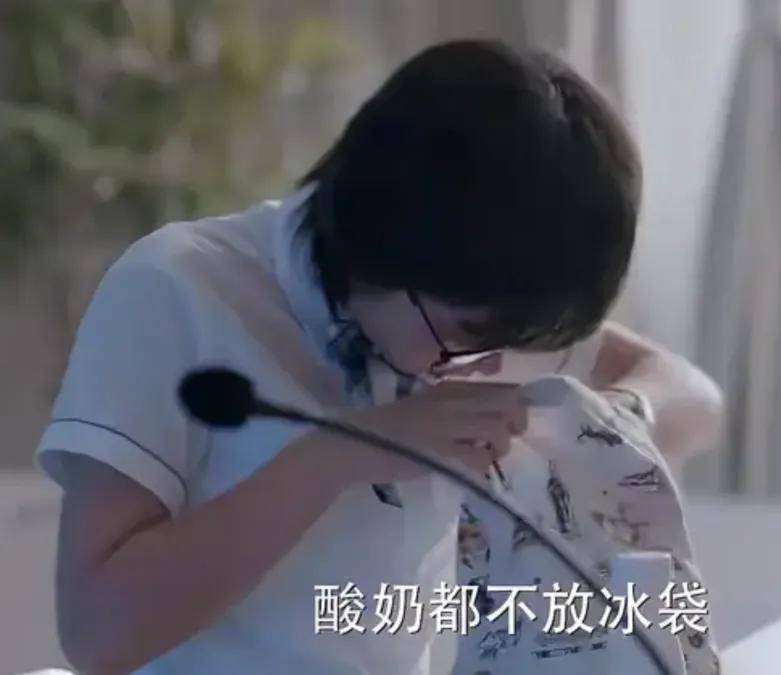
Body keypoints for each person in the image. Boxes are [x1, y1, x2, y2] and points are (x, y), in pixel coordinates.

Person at [38, 39, 722, 674]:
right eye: (464, 334)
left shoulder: (482, 319)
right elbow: (98, 631)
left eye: (512, 345)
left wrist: (611, 424)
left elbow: (693, 396)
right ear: (376, 240)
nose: (486, 365)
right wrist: (340, 454)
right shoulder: (179, 289)